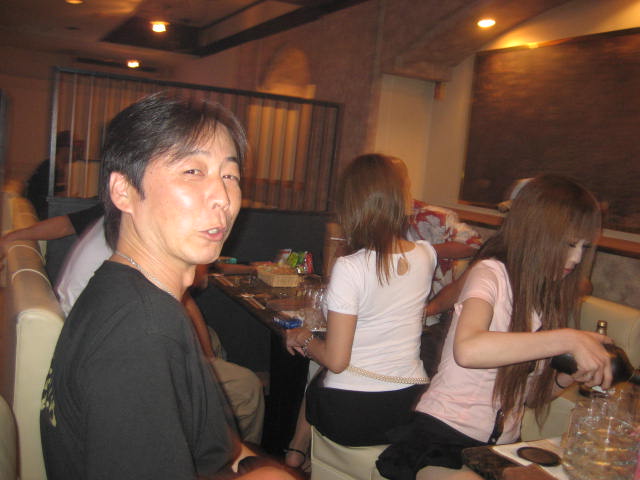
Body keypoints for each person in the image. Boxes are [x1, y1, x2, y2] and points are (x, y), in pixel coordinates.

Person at [40, 93, 295, 479]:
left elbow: (213, 445)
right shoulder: (141, 331)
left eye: (230, 176)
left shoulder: (129, 292)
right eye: (193, 171)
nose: (223, 197)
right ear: (124, 191)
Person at [376, 174, 613, 480]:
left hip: (502, 449)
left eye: (584, 246)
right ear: (537, 233)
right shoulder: (490, 274)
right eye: (569, 244)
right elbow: (468, 350)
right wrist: (568, 339)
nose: (577, 257)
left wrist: (566, 377)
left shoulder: (543, 298)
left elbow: (528, 397)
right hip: (444, 438)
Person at [284, 154, 437, 467]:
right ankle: (300, 456)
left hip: (354, 414)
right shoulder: (426, 254)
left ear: (351, 206)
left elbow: (337, 360)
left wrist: (303, 337)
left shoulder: (351, 267)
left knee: (316, 380)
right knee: (318, 379)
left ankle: (294, 455)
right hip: (406, 405)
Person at [55, 216, 265, 443]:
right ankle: (232, 451)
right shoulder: (144, 246)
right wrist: (207, 364)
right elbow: (183, 303)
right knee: (248, 386)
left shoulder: (119, 226)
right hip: (113, 354)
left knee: (211, 338)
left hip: (81, 334)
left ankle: (212, 424)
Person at [25, 131, 83, 219]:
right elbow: (46, 202)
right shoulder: (48, 168)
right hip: (40, 216)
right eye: (73, 147)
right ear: (64, 148)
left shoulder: (58, 167)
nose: (76, 152)